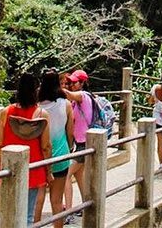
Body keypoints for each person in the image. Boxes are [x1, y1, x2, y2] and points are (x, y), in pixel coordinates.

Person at [0, 73, 53, 225]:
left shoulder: (5, 112)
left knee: (8, 213)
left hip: (9, 169)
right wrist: (49, 171)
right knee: (28, 215)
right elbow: (46, 147)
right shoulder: (42, 115)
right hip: (33, 169)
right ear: (36, 91)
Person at [36, 71, 74, 228]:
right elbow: (70, 131)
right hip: (61, 157)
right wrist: (70, 146)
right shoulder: (65, 104)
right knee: (57, 200)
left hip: (40, 158)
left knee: (38, 200)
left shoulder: (37, 107)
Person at [62, 69, 92, 219]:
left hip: (85, 143)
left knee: (66, 175)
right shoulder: (76, 100)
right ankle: (87, 205)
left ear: (82, 83)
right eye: (70, 82)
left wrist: (53, 86)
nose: (71, 85)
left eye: (74, 82)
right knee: (80, 175)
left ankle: (68, 212)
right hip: (80, 143)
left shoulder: (83, 96)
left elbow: (67, 94)